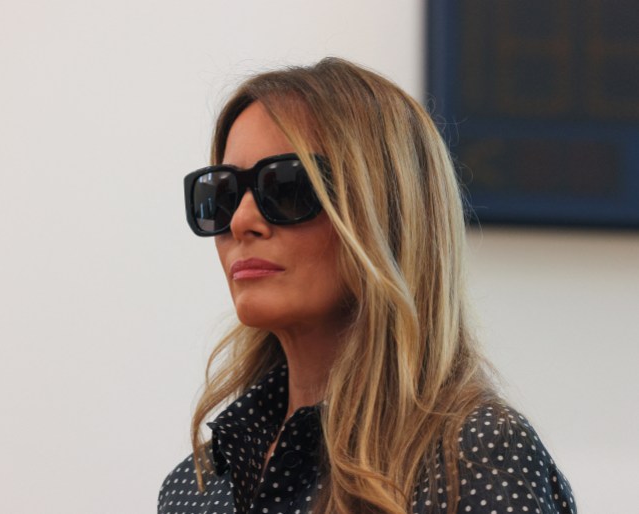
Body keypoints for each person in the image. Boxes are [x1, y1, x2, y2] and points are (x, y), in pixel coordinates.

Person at [158, 58, 576, 514]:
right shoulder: (194, 488)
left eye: (288, 186)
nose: (240, 221)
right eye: (220, 194)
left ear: (389, 215)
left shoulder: (474, 460)